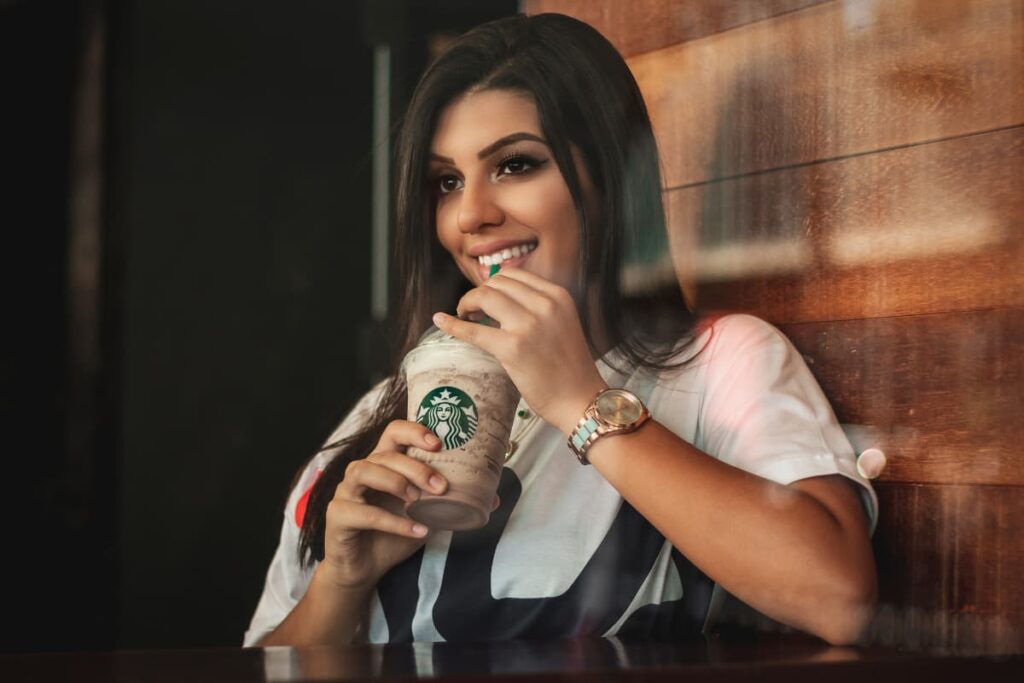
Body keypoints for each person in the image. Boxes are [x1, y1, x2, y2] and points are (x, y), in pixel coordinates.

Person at [245, 13, 878, 648]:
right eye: (447, 181)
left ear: (608, 175)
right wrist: (342, 582)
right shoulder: (383, 412)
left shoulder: (720, 362)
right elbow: (263, 658)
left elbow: (839, 601)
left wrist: (580, 401)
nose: (470, 214)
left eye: (516, 165)